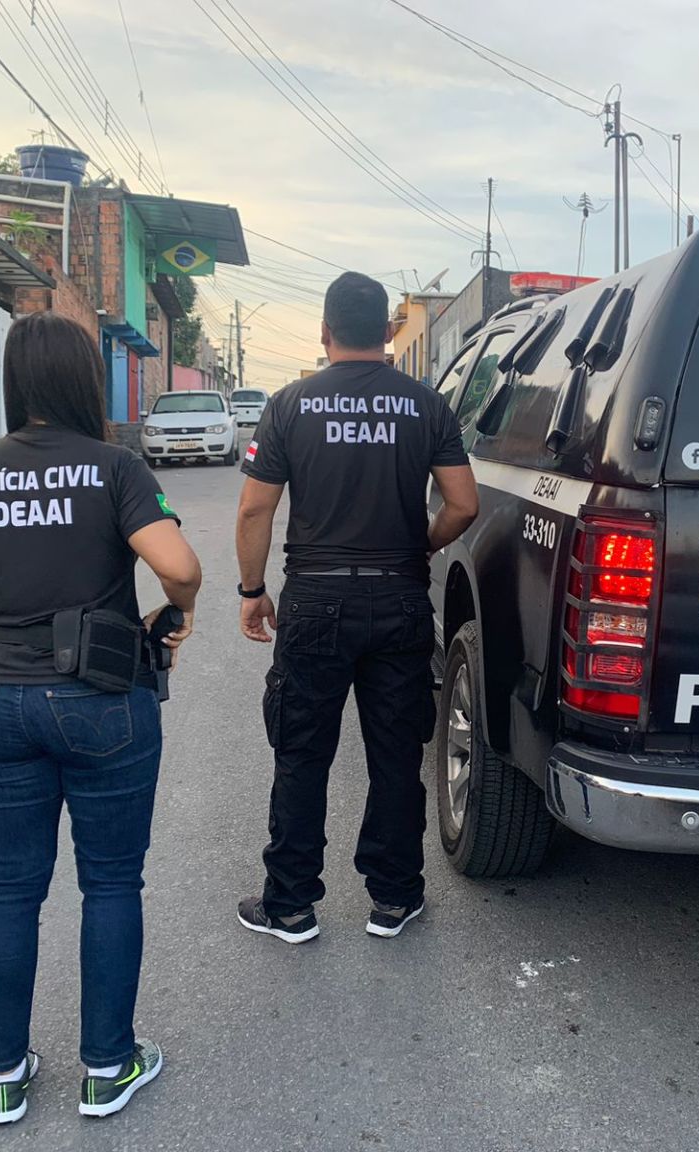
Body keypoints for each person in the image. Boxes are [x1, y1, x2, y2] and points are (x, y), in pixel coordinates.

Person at [0, 311, 200, 1126]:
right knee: (109, 879)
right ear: (82, 381)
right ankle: (107, 1066)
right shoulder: (114, 468)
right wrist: (175, 614)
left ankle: (3, 1075)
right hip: (102, 699)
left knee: (9, 884)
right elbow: (178, 564)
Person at [235, 271, 479, 944]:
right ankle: (395, 899)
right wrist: (419, 547)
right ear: (390, 332)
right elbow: (463, 504)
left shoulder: (288, 405)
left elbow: (257, 505)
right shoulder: (426, 407)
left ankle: (289, 905)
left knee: (302, 754)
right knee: (396, 755)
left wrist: (253, 591)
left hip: (314, 598)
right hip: (399, 595)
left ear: (324, 331)